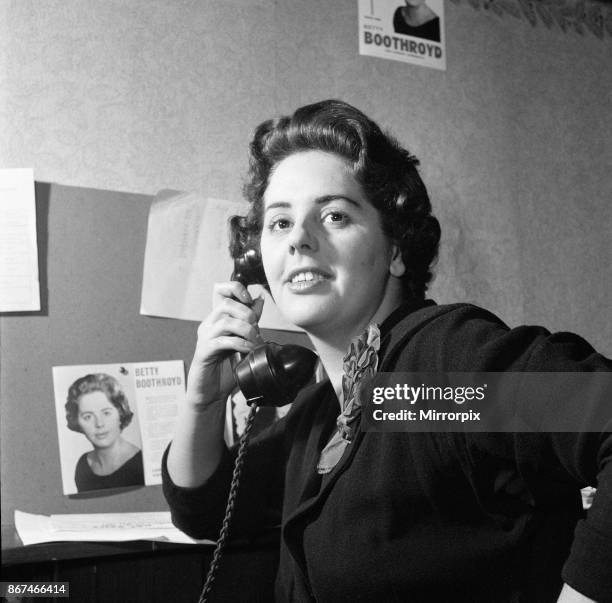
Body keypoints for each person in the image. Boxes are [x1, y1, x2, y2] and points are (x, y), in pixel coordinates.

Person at [162, 100, 612, 602]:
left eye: (333, 215)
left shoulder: (430, 379)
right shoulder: (322, 412)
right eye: (280, 223)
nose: (300, 241)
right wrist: (200, 401)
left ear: (396, 250)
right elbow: (205, 510)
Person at [66, 373, 144, 492]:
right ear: (78, 423)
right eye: (88, 417)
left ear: (120, 413)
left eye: (106, 413)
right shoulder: (83, 466)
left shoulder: (142, 464)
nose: (99, 424)